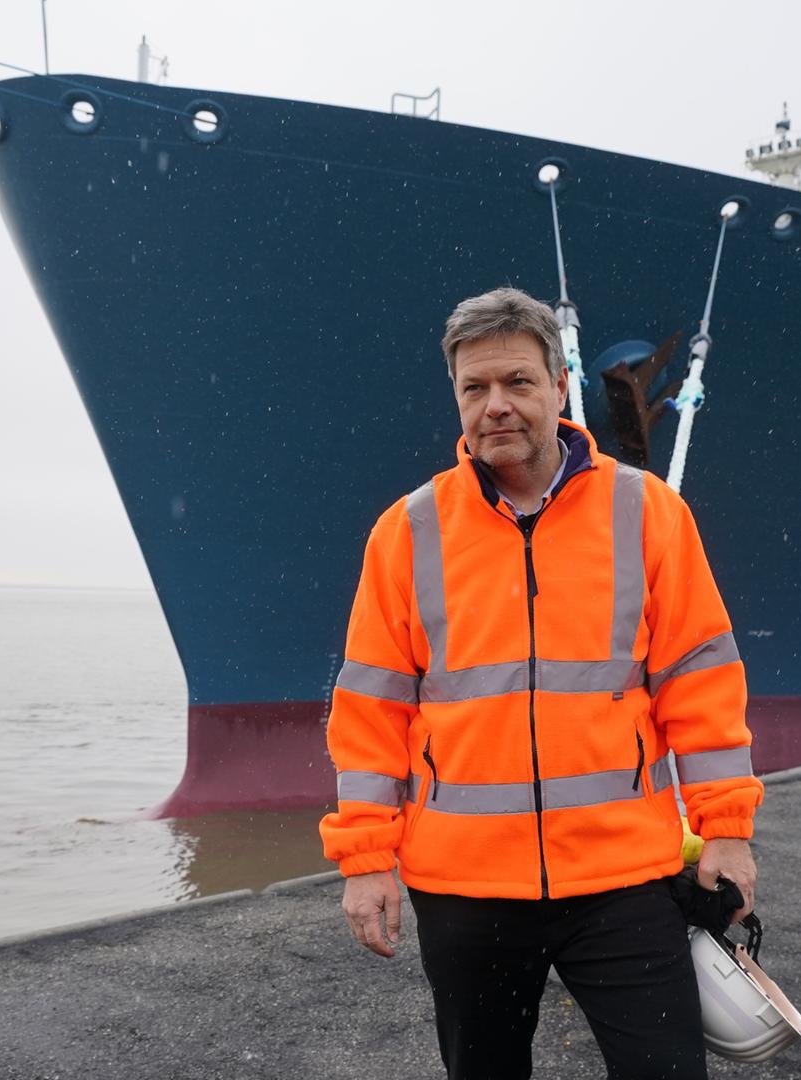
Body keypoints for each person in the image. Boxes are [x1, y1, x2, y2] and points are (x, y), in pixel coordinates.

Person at [319, 286, 764, 1079]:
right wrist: (365, 859)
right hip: (463, 889)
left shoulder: (648, 513)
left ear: (561, 388)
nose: (496, 405)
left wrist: (726, 827)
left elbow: (701, 684)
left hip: (623, 881)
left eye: (518, 382)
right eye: (475, 388)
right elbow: (370, 714)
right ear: (455, 397)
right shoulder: (407, 532)